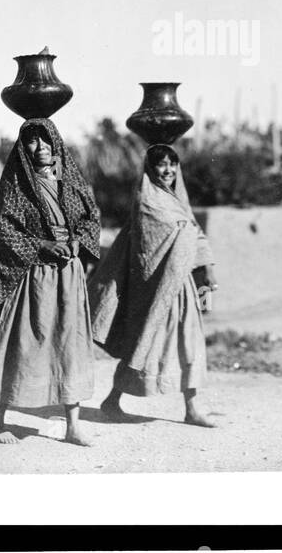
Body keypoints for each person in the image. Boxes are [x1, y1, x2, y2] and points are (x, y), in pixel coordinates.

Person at [0, 117, 102, 446]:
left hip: (68, 276)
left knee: (69, 344)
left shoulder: (69, 183)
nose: (40, 147)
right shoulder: (17, 184)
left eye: (45, 140)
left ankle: (73, 425)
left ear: (56, 143)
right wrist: (43, 245)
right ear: (23, 147)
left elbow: (91, 218)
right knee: (23, 345)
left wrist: (76, 242)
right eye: (31, 141)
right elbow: (5, 231)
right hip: (34, 275)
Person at [89, 143, 218, 427]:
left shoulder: (176, 200)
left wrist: (206, 268)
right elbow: (150, 246)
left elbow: (192, 231)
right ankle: (112, 400)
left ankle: (192, 408)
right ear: (151, 168)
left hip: (181, 285)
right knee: (146, 345)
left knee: (189, 343)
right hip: (157, 288)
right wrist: (184, 236)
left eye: (173, 164)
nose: (168, 170)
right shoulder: (146, 201)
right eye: (161, 164)